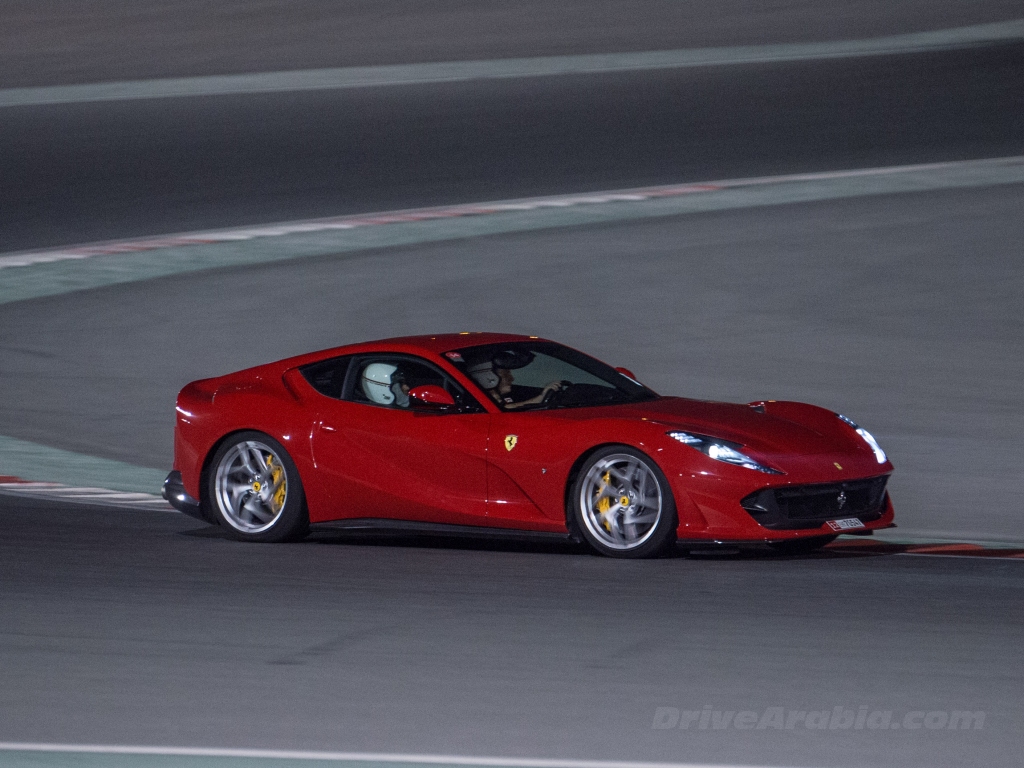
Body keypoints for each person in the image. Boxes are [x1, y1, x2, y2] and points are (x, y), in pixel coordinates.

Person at [468, 359, 563, 410]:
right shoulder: (477, 402)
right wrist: (541, 398)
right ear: (488, 378)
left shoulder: (509, 395)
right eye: (505, 375)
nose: (512, 378)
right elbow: (504, 409)